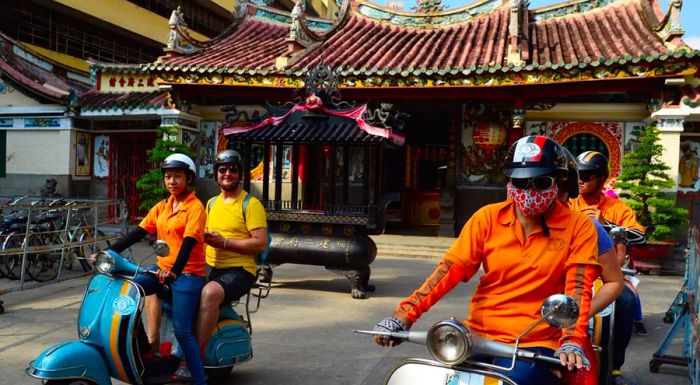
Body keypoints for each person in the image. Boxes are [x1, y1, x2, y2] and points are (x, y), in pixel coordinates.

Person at [374, 135, 601, 385]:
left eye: (540, 182)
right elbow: (448, 272)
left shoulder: (579, 226)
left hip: (534, 341)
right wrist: (403, 316)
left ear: (558, 182)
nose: (529, 191)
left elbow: (578, 288)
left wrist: (571, 340)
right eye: (521, 182)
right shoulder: (487, 218)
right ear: (509, 182)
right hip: (476, 336)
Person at [105, 153, 207, 385]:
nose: (172, 181)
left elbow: (190, 243)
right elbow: (139, 232)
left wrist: (175, 272)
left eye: (177, 177)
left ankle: (199, 379)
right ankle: (146, 351)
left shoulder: (195, 208)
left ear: (188, 179)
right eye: (168, 177)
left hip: (187, 274)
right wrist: (109, 252)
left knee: (183, 332)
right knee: (129, 292)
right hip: (160, 270)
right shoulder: (163, 206)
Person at [569, 151, 647, 385]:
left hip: (606, 274)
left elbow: (640, 237)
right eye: (578, 175)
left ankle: (615, 367)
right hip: (572, 270)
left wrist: (607, 224)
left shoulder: (617, 208)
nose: (580, 180)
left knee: (626, 301)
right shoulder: (569, 203)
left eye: (587, 176)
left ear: (602, 179)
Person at [559, 148, 624, 385]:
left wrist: (579, 315)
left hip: (579, 297)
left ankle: (614, 366)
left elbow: (615, 276)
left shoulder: (602, 217)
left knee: (625, 302)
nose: (531, 193)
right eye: (520, 183)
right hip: (513, 325)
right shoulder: (492, 220)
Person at [195, 150, 268, 357]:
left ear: (240, 174)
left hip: (240, 270)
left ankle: (193, 357)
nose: (228, 173)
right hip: (212, 268)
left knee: (209, 294)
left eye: (233, 169)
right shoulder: (211, 203)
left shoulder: (251, 205)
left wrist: (225, 242)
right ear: (216, 173)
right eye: (223, 169)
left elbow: (260, 244)